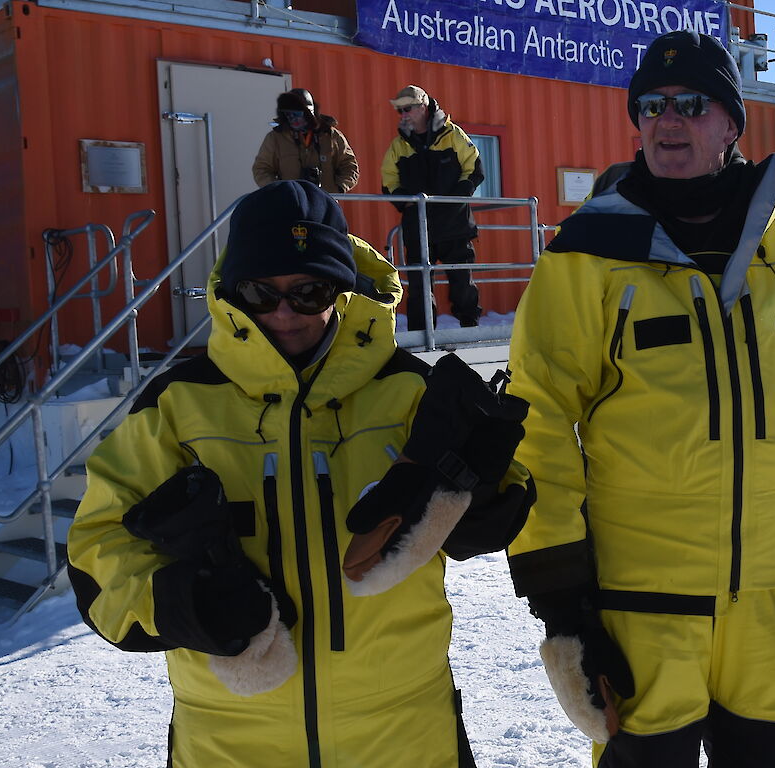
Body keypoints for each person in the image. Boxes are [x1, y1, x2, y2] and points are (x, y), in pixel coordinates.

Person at [503, 30, 775, 767]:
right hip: (639, 617)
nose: (666, 120)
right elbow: (538, 420)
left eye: (690, 103)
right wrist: (561, 600)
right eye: (651, 105)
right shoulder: (586, 258)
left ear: (731, 125)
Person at [67, 180, 535, 767]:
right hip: (231, 743)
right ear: (234, 292)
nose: (284, 312)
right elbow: (98, 545)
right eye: (261, 292)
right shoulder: (175, 407)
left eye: (310, 291)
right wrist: (184, 604)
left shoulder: (410, 390)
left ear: (340, 291)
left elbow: (502, 496)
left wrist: (479, 494)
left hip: (404, 735)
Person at [380, 86, 485, 331]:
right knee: (419, 285)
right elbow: (388, 180)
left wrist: (459, 196)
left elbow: (475, 167)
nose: (402, 114)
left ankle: (470, 330)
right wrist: (404, 201)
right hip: (418, 226)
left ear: (422, 108)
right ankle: (421, 336)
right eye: (399, 110)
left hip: (455, 224)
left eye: (407, 108)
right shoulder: (399, 146)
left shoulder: (453, 135)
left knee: (462, 282)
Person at [251, 88, 361, 195]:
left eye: (298, 114)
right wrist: (279, 191)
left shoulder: (330, 136)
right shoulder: (276, 138)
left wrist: (337, 190)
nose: (293, 119)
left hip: (325, 204)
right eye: (289, 114)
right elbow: (261, 169)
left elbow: (350, 167)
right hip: (290, 203)